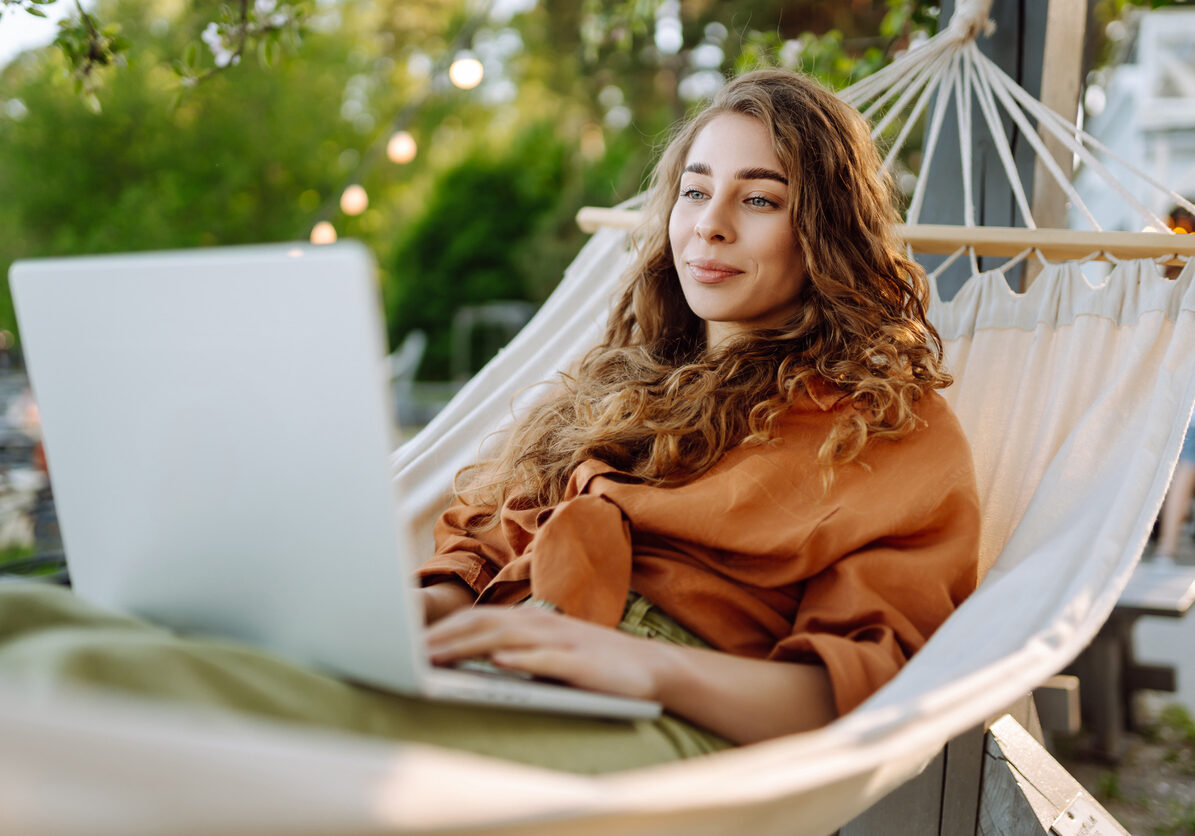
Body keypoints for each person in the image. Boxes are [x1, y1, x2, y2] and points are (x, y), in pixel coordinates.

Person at [0, 69, 980, 773]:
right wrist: (410, 620)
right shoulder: (615, 382)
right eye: (693, 189)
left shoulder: (888, 429)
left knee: (115, 679)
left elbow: (851, 696)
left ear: (827, 232)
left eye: (759, 199)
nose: (708, 225)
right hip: (505, 667)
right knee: (43, 615)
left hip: (664, 725)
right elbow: (477, 548)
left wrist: (633, 661)